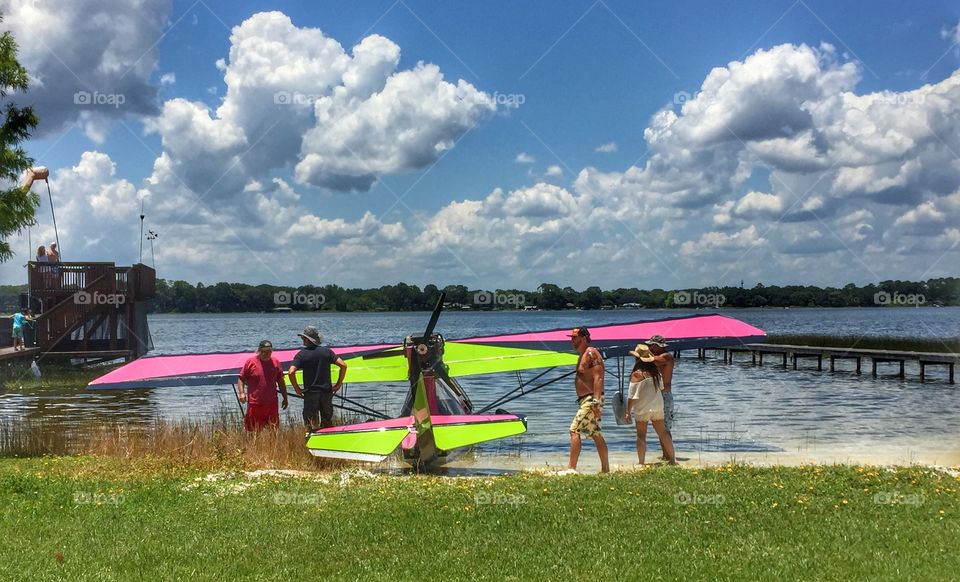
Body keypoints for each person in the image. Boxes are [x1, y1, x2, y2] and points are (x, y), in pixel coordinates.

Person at [567, 326, 610, 473]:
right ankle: (606, 470)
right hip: (586, 399)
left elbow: (598, 377)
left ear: (583, 338)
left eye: (575, 338)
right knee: (596, 434)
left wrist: (596, 402)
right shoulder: (583, 353)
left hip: (592, 399)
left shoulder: (591, 353)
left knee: (574, 430)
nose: (572, 341)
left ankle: (571, 469)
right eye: (571, 338)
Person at [288, 326, 347, 430]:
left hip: (310, 393)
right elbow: (343, 365)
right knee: (327, 423)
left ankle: (311, 443)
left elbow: (291, 372)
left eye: (303, 338)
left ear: (307, 339)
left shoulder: (301, 354)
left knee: (310, 424)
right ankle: (327, 443)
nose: (302, 340)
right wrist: (338, 384)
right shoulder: (327, 352)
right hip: (326, 392)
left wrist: (296, 388)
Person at [625, 343, 676, 465]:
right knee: (663, 433)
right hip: (657, 407)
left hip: (642, 408)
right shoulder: (656, 373)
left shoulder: (637, 374)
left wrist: (627, 411)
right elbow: (662, 388)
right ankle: (673, 460)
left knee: (641, 436)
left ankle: (641, 463)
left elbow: (632, 396)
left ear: (637, 358)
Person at [236, 340, 288, 432]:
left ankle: (272, 446)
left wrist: (285, 398)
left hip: (272, 403)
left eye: (269, 351)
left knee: (273, 430)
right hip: (255, 403)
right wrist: (241, 393)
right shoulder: (251, 362)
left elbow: (281, 381)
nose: (267, 354)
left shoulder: (275, 362)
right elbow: (241, 379)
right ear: (259, 351)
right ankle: (254, 446)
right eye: (264, 351)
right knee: (253, 431)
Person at [646, 334, 676, 460]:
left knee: (665, 427)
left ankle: (669, 456)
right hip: (657, 393)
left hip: (664, 394)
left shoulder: (666, 356)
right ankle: (665, 455)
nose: (650, 348)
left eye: (652, 346)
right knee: (660, 427)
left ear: (658, 346)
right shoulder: (657, 356)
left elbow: (653, 360)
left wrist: (642, 353)